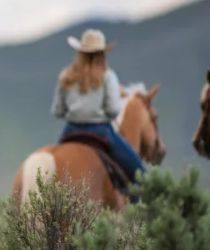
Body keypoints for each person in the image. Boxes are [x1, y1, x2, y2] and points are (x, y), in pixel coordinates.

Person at [50, 29, 146, 202]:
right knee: (141, 174)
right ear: (102, 54)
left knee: (51, 171)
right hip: (101, 131)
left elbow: (58, 111)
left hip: (71, 131)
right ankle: (135, 212)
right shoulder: (108, 77)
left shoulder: (65, 77)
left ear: (79, 52)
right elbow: (113, 110)